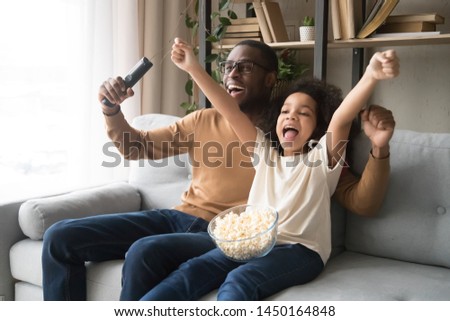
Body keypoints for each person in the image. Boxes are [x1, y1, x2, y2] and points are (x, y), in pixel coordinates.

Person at [42, 38, 396, 300]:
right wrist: (188, 70)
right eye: (227, 67)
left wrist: (371, 82)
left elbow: (341, 120)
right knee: (63, 238)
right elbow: (221, 110)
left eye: (245, 67)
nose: (232, 74)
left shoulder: (318, 159)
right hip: (205, 227)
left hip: (259, 241)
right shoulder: (257, 147)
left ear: (271, 78)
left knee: (191, 268)